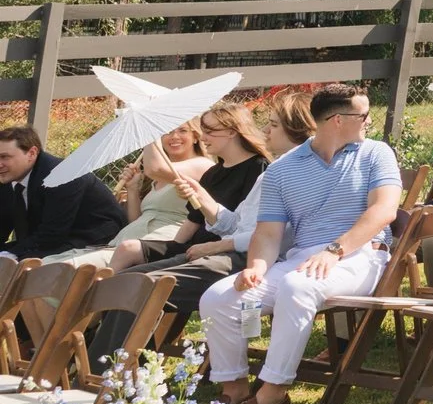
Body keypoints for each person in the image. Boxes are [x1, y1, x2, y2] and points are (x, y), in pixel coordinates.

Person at [201, 84, 403, 404]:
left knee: (298, 286)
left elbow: (384, 211)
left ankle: (272, 393)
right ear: (338, 120)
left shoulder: (376, 153)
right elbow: (268, 233)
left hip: (361, 255)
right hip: (301, 259)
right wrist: (257, 268)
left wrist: (335, 250)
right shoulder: (282, 169)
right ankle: (233, 388)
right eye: (364, 115)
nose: (369, 121)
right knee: (218, 298)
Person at [104, 95, 306, 354]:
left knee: (138, 285)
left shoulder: (269, 169)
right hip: (225, 250)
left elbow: (273, 237)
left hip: (249, 259)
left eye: (273, 124)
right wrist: (200, 196)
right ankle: (112, 367)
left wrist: (213, 246)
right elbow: (232, 222)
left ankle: (118, 372)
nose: (265, 130)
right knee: (125, 280)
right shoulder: (267, 171)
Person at [111, 102, 268, 272]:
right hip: (192, 249)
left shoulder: (259, 168)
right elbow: (191, 225)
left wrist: (149, 128)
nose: (203, 138)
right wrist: (169, 253)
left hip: (223, 254)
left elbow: (245, 227)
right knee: (128, 251)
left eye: (209, 132)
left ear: (231, 131)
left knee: (132, 277)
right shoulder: (213, 173)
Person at [54, 120, 212, 269]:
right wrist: (133, 189)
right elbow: (136, 221)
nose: (174, 136)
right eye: (166, 131)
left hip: (157, 245)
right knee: (41, 264)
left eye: (182, 130)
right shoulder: (155, 180)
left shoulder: (202, 165)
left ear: (195, 137)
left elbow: (156, 168)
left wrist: (148, 132)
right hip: (121, 244)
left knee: (60, 270)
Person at [0, 124, 126, 262]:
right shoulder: (8, 176)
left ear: (31, 153)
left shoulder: (63, 176)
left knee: (21, 262)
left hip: (92, 238)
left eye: (4, 157)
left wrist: (13, 253)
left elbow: (53, 233)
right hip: (52, 237)